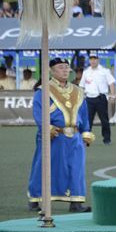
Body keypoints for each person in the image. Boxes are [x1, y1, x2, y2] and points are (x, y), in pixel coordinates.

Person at [27, 58, 94, 214]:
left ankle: (76, 202)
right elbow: (38, 112)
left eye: (66, 67)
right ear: (51, 71)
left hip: (75, 137)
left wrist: (86, 131)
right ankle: (35, 197)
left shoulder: (78, 91)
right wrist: (47, 128)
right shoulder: (43, 91)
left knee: (76, 168)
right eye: (60, 67)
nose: (65, 70)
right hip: (53, 136)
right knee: (44, 166)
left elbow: (84, 113)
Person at [80, 53, 116, 144]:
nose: (93, 61)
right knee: (88, 120)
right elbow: (82, 86)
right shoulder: (86, 72)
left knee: (104, 120)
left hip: (101, 98)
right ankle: (86, 139)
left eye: (95, 59)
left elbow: (111, 83)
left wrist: (112, 95)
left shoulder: (104, 71)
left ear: (98, 60)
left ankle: (107, 139)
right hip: (89, 98)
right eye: (91, 59)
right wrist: (80, 98)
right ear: (89, 60)